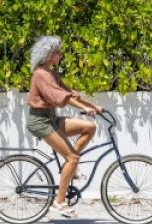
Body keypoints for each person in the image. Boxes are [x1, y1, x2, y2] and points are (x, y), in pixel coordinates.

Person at [26, 35, 104, 219]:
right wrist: (85, 108)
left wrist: (93, 106)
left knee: (89, 128)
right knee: (73, 157)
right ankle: (59, 202)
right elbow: (61, 98)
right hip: (40, 122)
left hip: (51, 119)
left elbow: (69, 94)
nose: (60, 55)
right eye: (57, 52)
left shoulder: (52, 73)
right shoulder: (40, 74)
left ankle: (71, 166)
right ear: (47, 54)